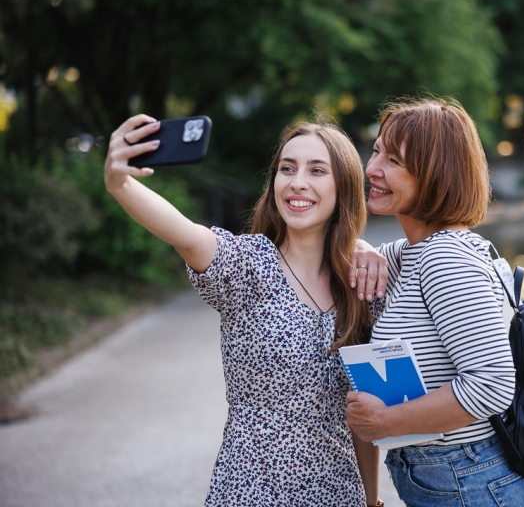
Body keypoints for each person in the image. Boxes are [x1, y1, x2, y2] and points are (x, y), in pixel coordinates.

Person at [104, 115, 387, 506]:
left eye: (317, 170)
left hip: (337, 493)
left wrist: (372, 500)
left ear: (344, 188)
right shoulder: (247, 265)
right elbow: (184, 231)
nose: (297, 182)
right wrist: (120, 182)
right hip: (250, 489)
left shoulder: (362, 286)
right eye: (286, 169)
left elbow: (364, 413)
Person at [346, 98, 524, 507]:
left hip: (473, 483)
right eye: (376, 151)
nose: (372, 169)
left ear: (436, 175)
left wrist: (384, 422)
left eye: (393, 160)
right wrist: (358, 245)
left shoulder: (446, 258)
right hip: (454, 478)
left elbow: (491, 385)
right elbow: (326, 253)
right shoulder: (413, 252)